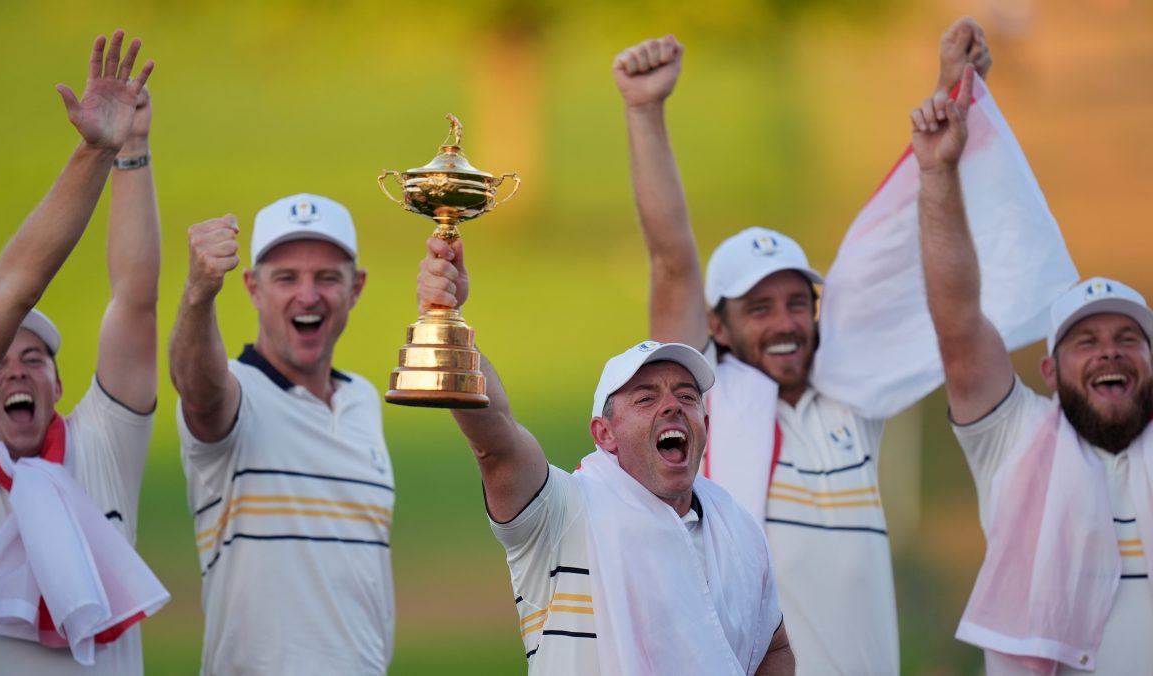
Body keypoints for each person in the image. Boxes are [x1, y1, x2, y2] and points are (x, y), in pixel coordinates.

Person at [612, 19, 993, 675]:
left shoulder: (854, 398)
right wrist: (645, 111)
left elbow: (909, 244)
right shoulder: (706, 402)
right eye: (759, 308)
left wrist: (947, 93)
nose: (785, 321)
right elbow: (672, 261)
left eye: (797, 302)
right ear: (719, 327)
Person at [416, 235, 792, 675]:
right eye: (646, 399)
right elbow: (496, 441)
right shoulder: (564, 513)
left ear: (705, 424)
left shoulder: (738, 529)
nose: (672, 405)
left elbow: (776, 647)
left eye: (686, 396)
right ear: (604, 434)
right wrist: (446, 323)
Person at [916, 64, 1153, 674]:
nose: (1109, 350)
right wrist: (939, 175)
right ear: (1049, 370)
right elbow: (959, 324)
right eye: (1086, 340)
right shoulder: (1012, 439)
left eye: (1129, 337)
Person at [0, 30, 160, 674]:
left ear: (60, 384)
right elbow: (14, 286)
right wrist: (88, 154)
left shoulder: (99, 447)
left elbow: (134, 298)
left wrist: (129, 150)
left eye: (36, 358)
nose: (15, 367)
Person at [170, 193, 393, 674]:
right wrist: (198, 293)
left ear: (356, 288)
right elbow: (200, 392)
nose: (308, 295)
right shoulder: (237, 393)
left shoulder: (364, 402)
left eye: (327, 278)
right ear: (252, 287)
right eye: (286, 278)